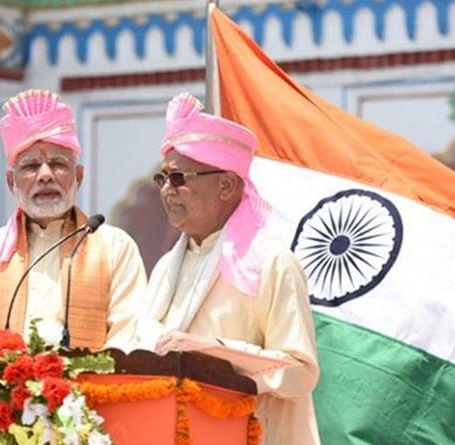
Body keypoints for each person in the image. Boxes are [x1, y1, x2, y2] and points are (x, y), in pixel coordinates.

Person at [132, 93, 321, 444]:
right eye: (163, 179)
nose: (167, 192)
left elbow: (300, 372)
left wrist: (210, 354)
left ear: (226, 185)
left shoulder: (269, 261)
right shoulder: (165, 268)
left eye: (179, 179)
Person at [0, 89, 147, 351]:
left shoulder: (114, 247)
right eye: (31, 166)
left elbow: (128, 341)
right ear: (11, 182)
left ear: (78, 176)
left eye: (58, 164)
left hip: (88, 391)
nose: (45, 175)